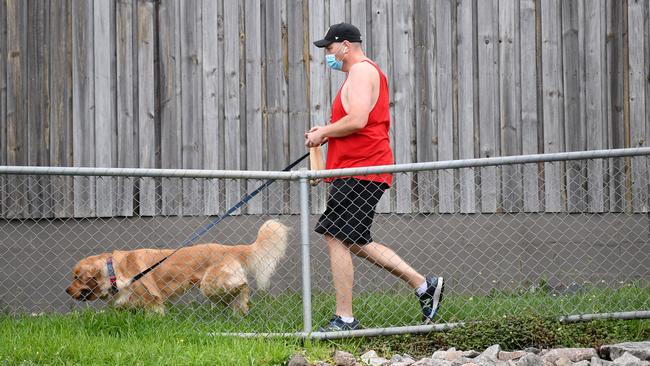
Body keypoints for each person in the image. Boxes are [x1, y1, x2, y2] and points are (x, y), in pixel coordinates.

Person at [305, 22, 445, 332]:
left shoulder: (361, 72)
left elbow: (357, 119)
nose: (327, 54)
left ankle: (345, 318)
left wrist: (324, 132)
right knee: (354, 240)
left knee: (335, 235)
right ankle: (424, 285)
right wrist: (326, 135)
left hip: (363, 168)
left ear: (346, 45)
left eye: (329, 48)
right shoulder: (359, 75)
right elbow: (357, 122)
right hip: (358, 168)